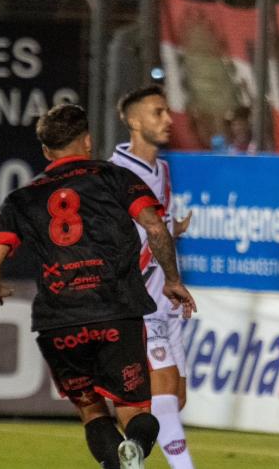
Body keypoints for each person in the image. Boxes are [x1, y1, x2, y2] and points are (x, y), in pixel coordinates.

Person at [0, 104, 196, 469]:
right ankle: (136, 450)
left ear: (46, 151)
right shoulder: (116, 178)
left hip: (59, 322)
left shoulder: (21, 199)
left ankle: (120, 463)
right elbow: (156, 228)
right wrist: (172, 281)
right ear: (88, 141)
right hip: (116, 312)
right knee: (135, 409)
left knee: (92, 412)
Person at [110, 85, 196, 469]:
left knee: (175, 398)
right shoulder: (115, 174)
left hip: (165, 295)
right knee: (161, 393)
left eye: (167, 112)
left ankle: (132, 455)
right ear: (133, 120)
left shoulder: (159, 168)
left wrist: (168, 230)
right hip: (138, 295)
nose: (168, 120)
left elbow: (148, 229)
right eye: (158, 113)